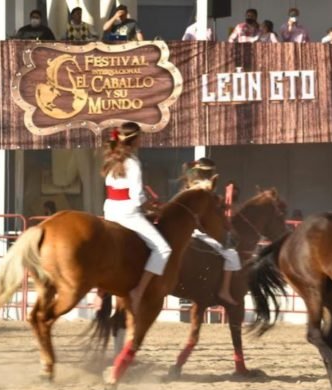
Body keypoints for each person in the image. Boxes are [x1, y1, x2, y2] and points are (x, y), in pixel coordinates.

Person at [102, 122, 171, 312]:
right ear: (135, 139)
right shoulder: (132, 163)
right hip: (128, 213)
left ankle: (101, 292)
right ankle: (139, 291)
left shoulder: (111, 160)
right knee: (163, 249)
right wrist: (153, 208)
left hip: (110, 210)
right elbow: (137, 198)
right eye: (140, 137)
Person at [182, 158, 241, 306]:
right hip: (199, 231)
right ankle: (224, 291)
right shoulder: (206, 189)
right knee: (232, 255)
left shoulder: (189, 185)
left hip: (185, 229)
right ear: (210, 173)